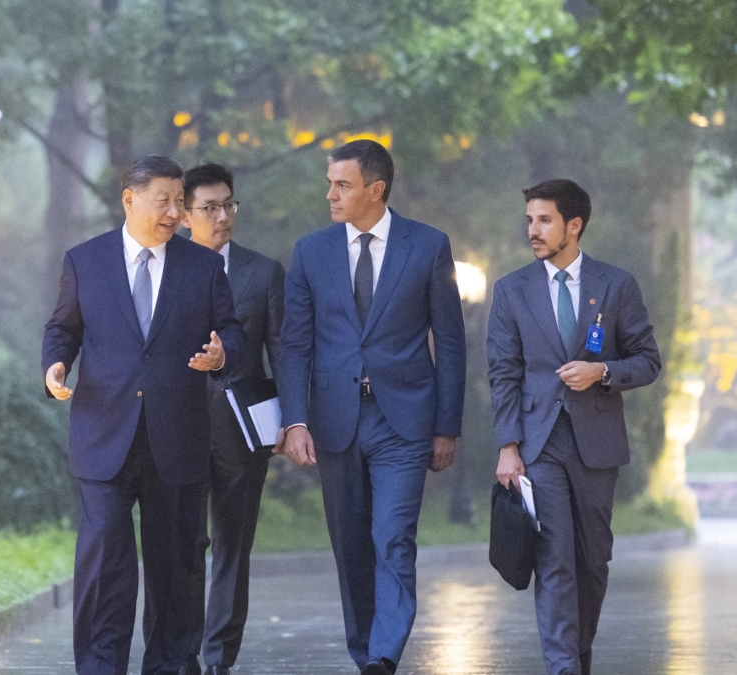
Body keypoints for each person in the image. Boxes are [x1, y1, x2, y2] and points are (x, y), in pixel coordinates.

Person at [42, 155, 244, 675]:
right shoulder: (84, 261)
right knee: (105, 563)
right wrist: (56, 365)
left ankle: (171, 665)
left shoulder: (202, 265)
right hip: (104, 434)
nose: (177, 212)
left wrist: (223, 354)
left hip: (177, 440)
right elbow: (63, 328)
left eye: (181, 201)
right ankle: (100, 667)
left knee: (174, 567)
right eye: (166, 201)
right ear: (129, 200)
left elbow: (233, 330)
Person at [277, 140, 466, 675]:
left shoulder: (428, 247)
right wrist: (295, 420)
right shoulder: (311, 252)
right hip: (335, 420)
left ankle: (385, 652)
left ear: (375, 190)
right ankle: (365, 654)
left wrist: (447, 426)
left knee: (393, 536)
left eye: (343, 185)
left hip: (403, 422)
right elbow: (295, 344)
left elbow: (449, 342)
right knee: (352, 545)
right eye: (330, 183)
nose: (330, 194)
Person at [488, 179, 661, 675]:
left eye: (544, 220)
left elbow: (648, 361)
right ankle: (562, 667)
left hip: (597, 444)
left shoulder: (616, 285)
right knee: (555, 559)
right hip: (539, 445)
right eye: (529, 221)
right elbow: (503, 374)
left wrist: (602, 372)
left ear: (574, 225)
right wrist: (508, 445)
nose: (533, 230)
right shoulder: (511, 290)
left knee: (592, 562)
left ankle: (578, 654)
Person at [178, 164, 284, 675]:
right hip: (175, 429)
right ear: (183, 215)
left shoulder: (262, 273)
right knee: (181, 545)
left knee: (231, 549)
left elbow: (282, 352)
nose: (222, 217)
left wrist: (293, 420)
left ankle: (217, 659)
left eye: (228, 206)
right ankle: (182, 654)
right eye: (210, 208)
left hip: (242, 431)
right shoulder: (164, 270)